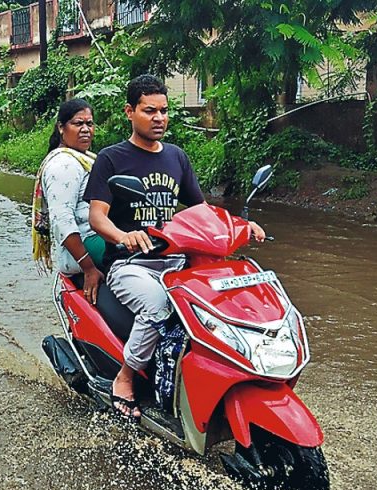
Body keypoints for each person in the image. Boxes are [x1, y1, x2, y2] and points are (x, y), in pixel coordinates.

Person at [84, 74, 266, 420]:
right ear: (129, 112)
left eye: (164, 111)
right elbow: (97, 217)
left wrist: (241, 225)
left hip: (176, 261)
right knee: (157, 305)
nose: (159, 118)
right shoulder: (111, 158)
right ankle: (125, 377)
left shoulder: (176, 157)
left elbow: (202, 211)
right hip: (131, 263)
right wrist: (123, 236)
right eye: (149, 111)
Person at [32, 98, 104, 300]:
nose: (85, 129)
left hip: (101, 235)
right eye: (78, 123)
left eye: (89, 123)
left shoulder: (86, 158)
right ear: (61, 128)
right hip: (87, 243)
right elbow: (62, 221)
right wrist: (89, 268)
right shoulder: (63, 164)